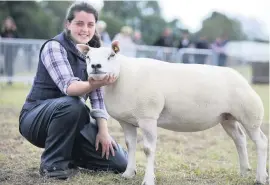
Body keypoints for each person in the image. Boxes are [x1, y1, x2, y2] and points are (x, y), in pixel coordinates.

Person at [18, 1, 127, 180]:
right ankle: (53, 166)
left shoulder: (94, 53)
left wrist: (103, 131)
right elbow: (69, 88)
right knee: (73, 104)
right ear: (68, 24)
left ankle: (69, 154)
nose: (85, 29)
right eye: (79, 23)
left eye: (90, 24)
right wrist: (95, 83)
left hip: (73, 121)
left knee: (119, 163)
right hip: (36, 119)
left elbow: (97, 99)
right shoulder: (54, 47)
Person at [1, 16, 19, 85]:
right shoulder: (4, 32)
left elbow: (18, 39)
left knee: (10, 66)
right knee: (6, 66)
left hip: (12, 52)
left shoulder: (14, 32)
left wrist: (15, 30)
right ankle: (8, 79)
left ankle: (10, 80)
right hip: (6, 52)